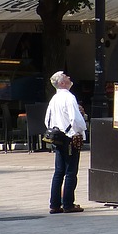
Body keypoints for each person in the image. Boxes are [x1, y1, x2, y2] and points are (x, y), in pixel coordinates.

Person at [44, 71, 87, 214]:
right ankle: (68, 203)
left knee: (58, 172)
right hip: (69, 136)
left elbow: (47, 119)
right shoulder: (69, 97)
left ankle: (54, 204)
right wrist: (80, 130)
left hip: (57, 136)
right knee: (70, 172)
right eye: (66, 77)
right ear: (62, 82)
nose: (70, 78)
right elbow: (75, 119)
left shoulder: (54, 99)